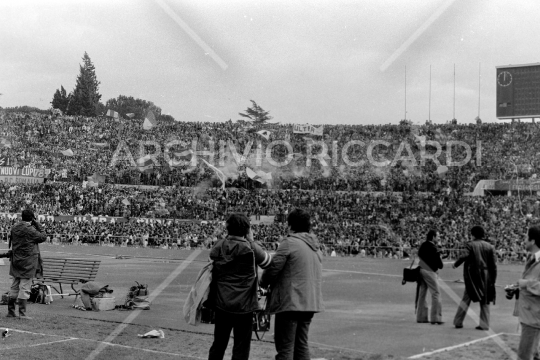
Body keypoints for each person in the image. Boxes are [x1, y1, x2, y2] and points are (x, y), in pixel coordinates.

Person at [260, 208, 324, 360]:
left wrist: (263, 284)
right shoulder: (315, 246)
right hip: (310, 302)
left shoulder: (289, 243)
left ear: (290, 225)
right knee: (301, 346)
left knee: (285, 348)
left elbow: (273, 268)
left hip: (291, 301)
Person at [207, 213, 272, 360]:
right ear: (247, 230)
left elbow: (212, 258)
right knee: (241, 347)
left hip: (222, 303)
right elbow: (268, 263)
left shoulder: (219, 245)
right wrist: (251, 240)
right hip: (245, 306)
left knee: (219, 344)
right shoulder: (251, 247)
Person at [452, 225, 497, 330]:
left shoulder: (470, 245)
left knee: (466, 298)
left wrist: (455, 264)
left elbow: (464, 256)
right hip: (486, 275)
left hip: (473, 276)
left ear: (472, 235)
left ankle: (458, 321)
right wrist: (493, 279)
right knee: (485, 299)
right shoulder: (490, 246)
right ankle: (484, 324)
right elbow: (493, 266)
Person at [7, 209, 47, 319]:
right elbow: (43, 236)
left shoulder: (15, 227)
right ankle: (22, 313)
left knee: (14, 287)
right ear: (32, 218)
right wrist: (38, 224)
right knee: (24, 288)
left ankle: (11, 312)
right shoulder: (29, 229)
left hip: (16, 261)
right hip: (28, 262)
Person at [514, 225, 540, 360]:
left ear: (533, 241)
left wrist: (526, 284)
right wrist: (515, 288)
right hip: (529, 314)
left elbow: (530, 283)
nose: (524, 240)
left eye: (525, 237)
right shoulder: (532, 258)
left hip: (534, 317)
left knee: (524, 355)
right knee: (533, 354)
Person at [416, 230, 444, 324]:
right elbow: (440, 265)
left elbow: (419, 255)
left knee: (422, 293)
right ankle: (436, 318)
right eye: (437, 236)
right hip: (430, 271)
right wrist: (439, 255)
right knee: (436, 293)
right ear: (433, 237)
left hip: (421, 270)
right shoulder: (434, 248)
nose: (438, 238)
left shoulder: (423, 245)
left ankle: (421, 317)